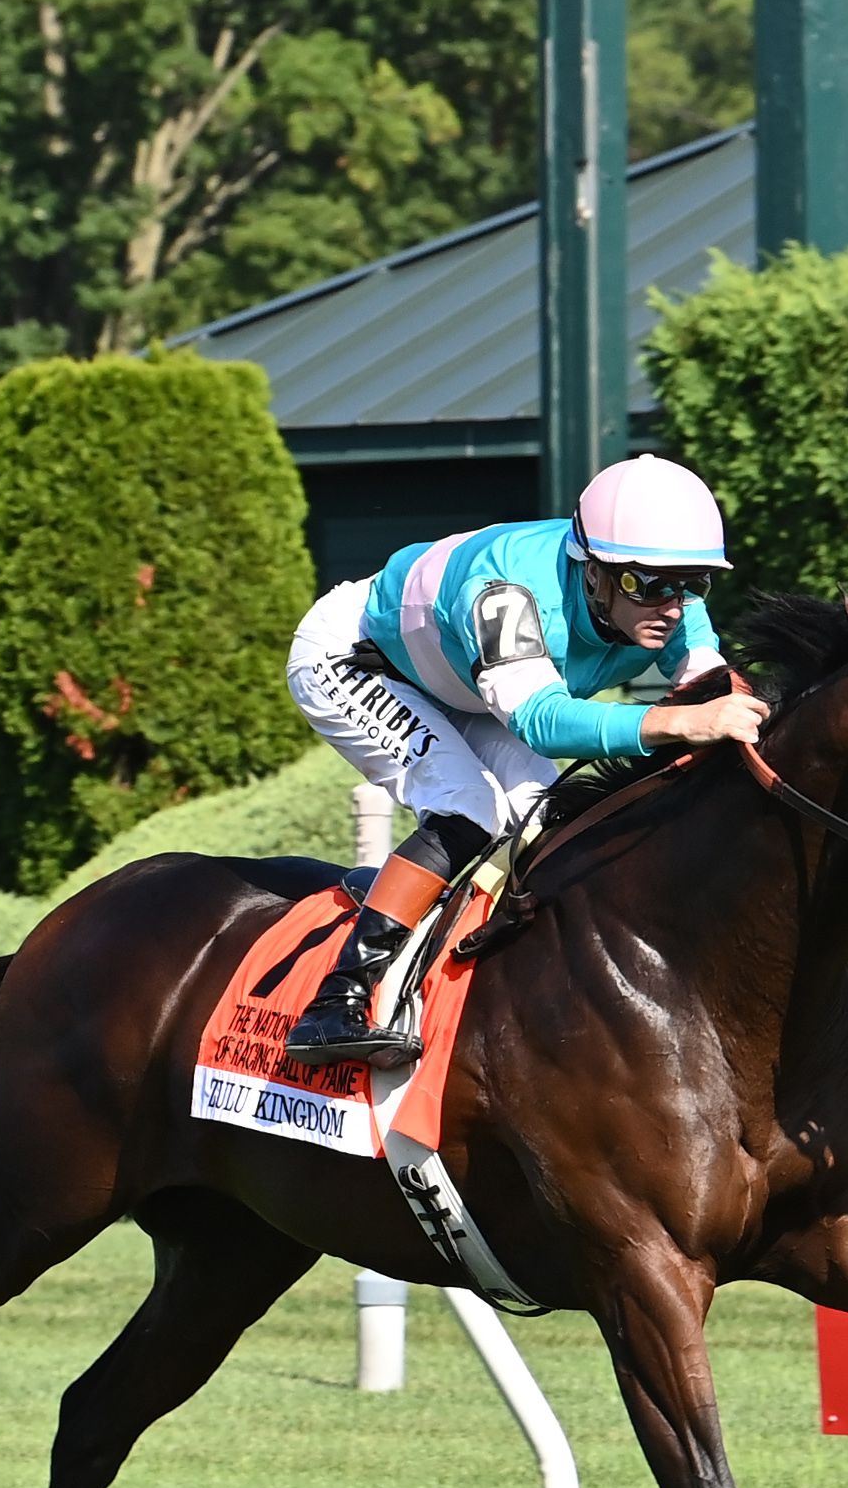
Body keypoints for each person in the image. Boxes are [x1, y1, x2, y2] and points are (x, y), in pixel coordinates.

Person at [278, 454, 770, 1067]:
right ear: (594, 573)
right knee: (467, 805)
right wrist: (676, 721)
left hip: (469, 685)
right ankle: (337, 1002)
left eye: (691, 583)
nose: (672, 605)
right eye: (650, 585)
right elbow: (540, 722)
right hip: (357, 659)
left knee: (546, 819)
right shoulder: (503, 590)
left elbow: (709, 683)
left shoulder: (670, 598)